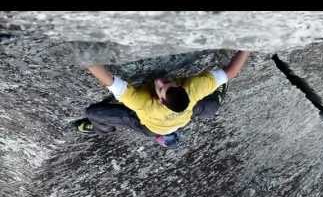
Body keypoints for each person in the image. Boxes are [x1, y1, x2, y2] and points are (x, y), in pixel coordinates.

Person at [76, 50, 250, 147]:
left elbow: (108, 80)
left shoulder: (143, 104)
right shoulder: (194, 90)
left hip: (151, 127)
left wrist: (84, 54)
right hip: (182, 117)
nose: (159, 81)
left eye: (161, 89)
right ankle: (172, 134)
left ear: (160, 100)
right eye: (168, 83)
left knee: (93, 113)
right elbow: (232, 72)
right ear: (182, 87)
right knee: (211, 108)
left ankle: (100, 129)